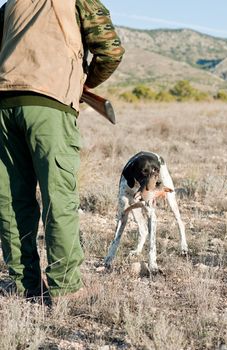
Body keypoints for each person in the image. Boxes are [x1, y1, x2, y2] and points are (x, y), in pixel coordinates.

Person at [0, 0, 124, 303]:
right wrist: (82, 84)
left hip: (3, 106)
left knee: (12, 201)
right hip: (49, 106)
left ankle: (23, 285)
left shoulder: (10, 4)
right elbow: (110, 51)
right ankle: (66, 287)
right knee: (59, 197)